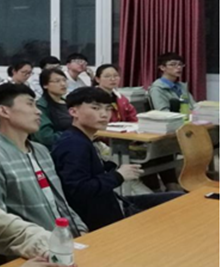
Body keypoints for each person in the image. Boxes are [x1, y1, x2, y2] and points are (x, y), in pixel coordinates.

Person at [51, 87, 182, 231]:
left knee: (179, 199)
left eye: (108, 109)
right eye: (95, 108)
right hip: (103, 218)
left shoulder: (83, 139)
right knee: (175, 210)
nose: (104, 114)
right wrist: (118, 175)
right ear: (73, 112)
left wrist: (109, 167)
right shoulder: (73, 145)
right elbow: (79, 190)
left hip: (115, 203)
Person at [0, 84, 87, 236]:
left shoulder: (41, 151)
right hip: (32, 245)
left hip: (65, 238)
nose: (38, 111)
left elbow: (59, 202)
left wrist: (80, 228)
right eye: (30, 104)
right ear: (4, 111)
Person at [96, 64, 180, 192]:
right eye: (107, 76)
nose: (112, 79)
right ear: (97, 79)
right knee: (146, 155)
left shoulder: (121, 98)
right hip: (108, 143)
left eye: (115, 76)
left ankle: (171, 186)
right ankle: (155, 189)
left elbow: (133, 118)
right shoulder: (94, 100)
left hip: (128, 137)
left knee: (162, 149)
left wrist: (134, 130)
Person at [32, 69, 71, 148]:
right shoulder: (41, 106)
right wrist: (76, 135)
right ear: (45, 85)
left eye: (64, 80)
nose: (63, 84)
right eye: (57, 81)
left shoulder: (69, 103)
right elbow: (46, 137)